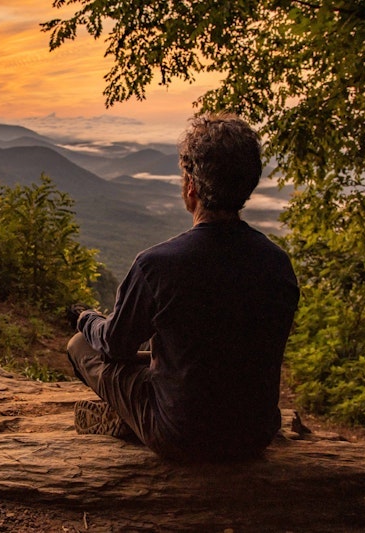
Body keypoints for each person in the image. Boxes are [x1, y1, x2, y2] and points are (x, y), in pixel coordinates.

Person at [67, 112, 300, 461]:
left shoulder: (157, 265)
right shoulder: (277, 264)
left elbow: (115, 346)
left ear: (191, 185)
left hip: (182, 435)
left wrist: (87, 319)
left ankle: (133, 419)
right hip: (254, 434)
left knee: (81, 345)